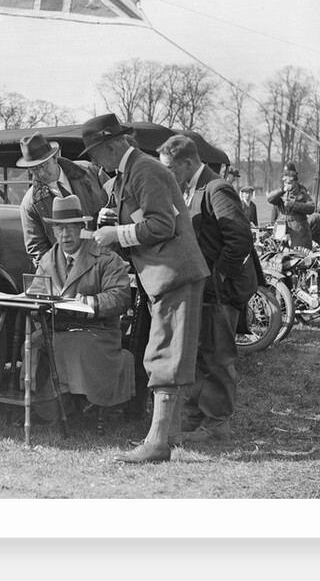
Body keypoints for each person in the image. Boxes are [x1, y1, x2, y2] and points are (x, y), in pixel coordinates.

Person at [83, 113, 209, 463]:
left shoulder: (144, 170)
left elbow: (163, 225)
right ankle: (170, 434)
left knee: (164, 352)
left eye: (95, 154)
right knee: (167, 348)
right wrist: (118, 223)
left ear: (110, 146)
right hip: (166, 274)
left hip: (173, 274)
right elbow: (148, 220)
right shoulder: (133, 171)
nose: (94, 162)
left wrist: (115, 233)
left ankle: (157, 443)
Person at [157, 136, 258, 442]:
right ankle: (195, 417)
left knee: (217, 356)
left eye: (171, 168)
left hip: (219, 291)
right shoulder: (190, 188)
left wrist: (220, 278)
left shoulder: (217, 188)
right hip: (203, 288)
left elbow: (240, 240)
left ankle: (216, 425)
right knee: (200, 353)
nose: (168, 174)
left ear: (188, 163)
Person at [26, 195, 136, 414]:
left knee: (71, 344)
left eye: (71, 228)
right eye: (59, 229)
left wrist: (89, 303)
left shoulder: (106, 258)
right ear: (53, 231)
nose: (65, 235)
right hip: (56, 329)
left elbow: (120, 297)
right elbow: (36, 293)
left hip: (98, 332)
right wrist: (38, 305)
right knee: (33, 344)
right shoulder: (48, 260)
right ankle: (44, 406)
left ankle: (74, 403)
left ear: (82, 227)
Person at [18, 132, 107, 269]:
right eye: (34, 169)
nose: (41, 173)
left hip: (108, 258)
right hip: (71, 270)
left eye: (43, 165)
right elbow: (38, 249)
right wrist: (61, 273)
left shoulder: (89, 172)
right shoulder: (30, 204)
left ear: (55, 158)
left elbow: (118, 199)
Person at [266, 163, 315, 249]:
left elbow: (311, 207)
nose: (287, 184)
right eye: (285, 182)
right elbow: (269, 198)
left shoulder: (302, 193)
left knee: (299, 254)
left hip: (298, 229)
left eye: (290, 182)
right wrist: (282, 190)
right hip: (281, 228)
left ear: (295, 182)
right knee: (278, 253)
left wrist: (294, 205)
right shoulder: (280, 193)